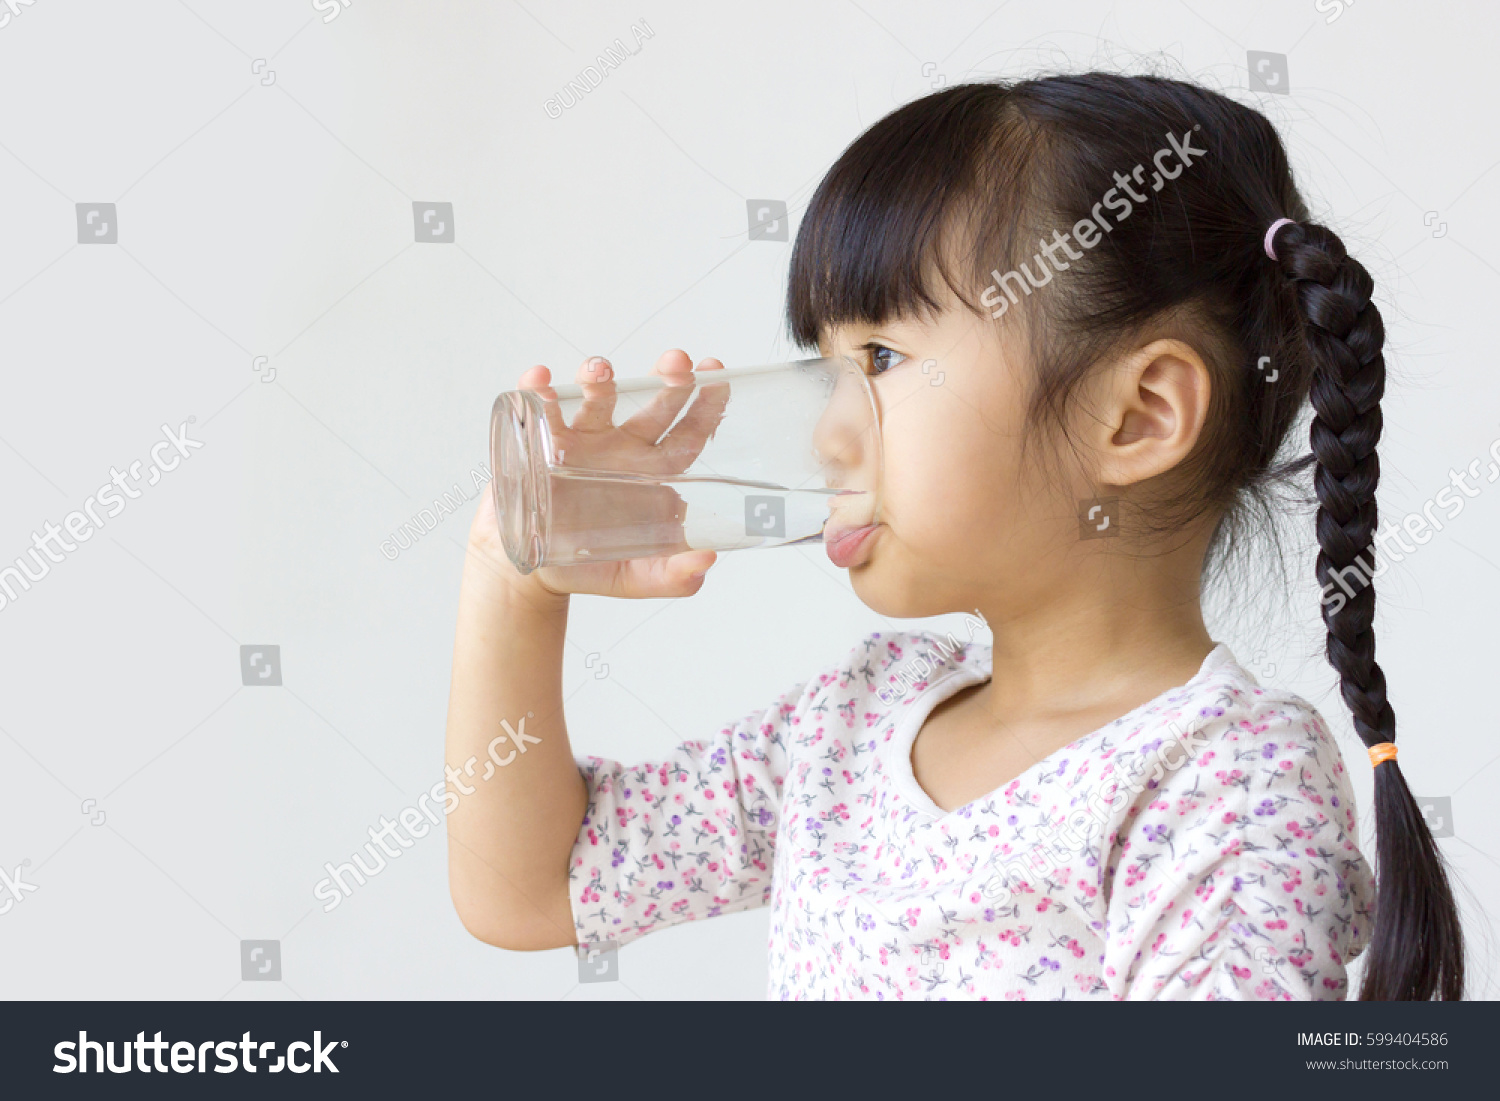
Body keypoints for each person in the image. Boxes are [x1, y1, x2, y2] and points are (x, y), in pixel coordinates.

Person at [443, 73, 1463, 1000]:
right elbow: (536, 886)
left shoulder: (1223, 783)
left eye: (880, 358)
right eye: (823, 363)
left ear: (1139, 415)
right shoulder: (856, 722)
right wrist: (515, 573)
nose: (826, 428)